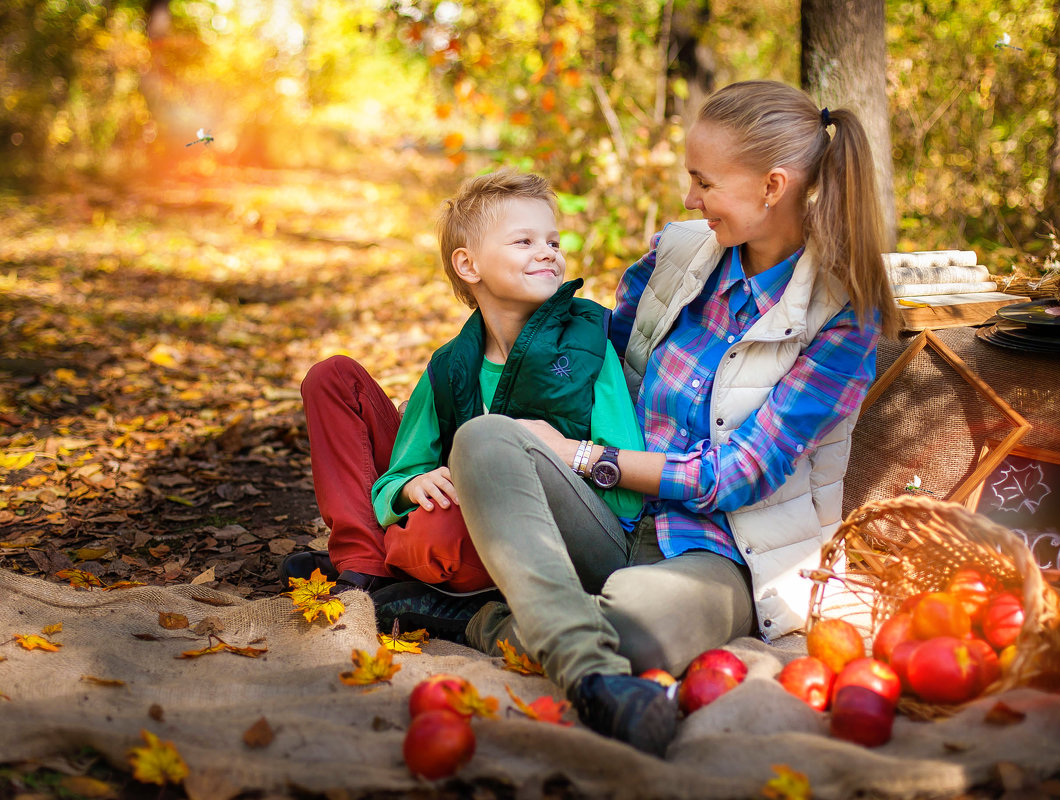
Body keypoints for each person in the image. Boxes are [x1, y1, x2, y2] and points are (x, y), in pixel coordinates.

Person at [378, 79, 900, 756]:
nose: (690, 198)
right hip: (608, 514)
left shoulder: (841, 317)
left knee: (636, 636)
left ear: (773, 187)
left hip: (721, 551)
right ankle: (595, 679)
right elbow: (601, 361)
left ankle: (482, 622)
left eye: (703, 181)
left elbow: (739, 475)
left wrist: (580, 456)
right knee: (483, 439)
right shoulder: (676, 255)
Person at [281, 170, 645, 638]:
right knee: (332, 377)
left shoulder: (591, 346)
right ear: (469, 266)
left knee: (442, 529)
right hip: (451, 520)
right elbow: (395, 478)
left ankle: (427, 590)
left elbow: (628, 495)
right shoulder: (451, 365)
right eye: (524, 241)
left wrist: (559, 457)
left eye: (553, 242)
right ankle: (367, 570)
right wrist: (413, 486)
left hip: (551, 532)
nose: (548, 252)